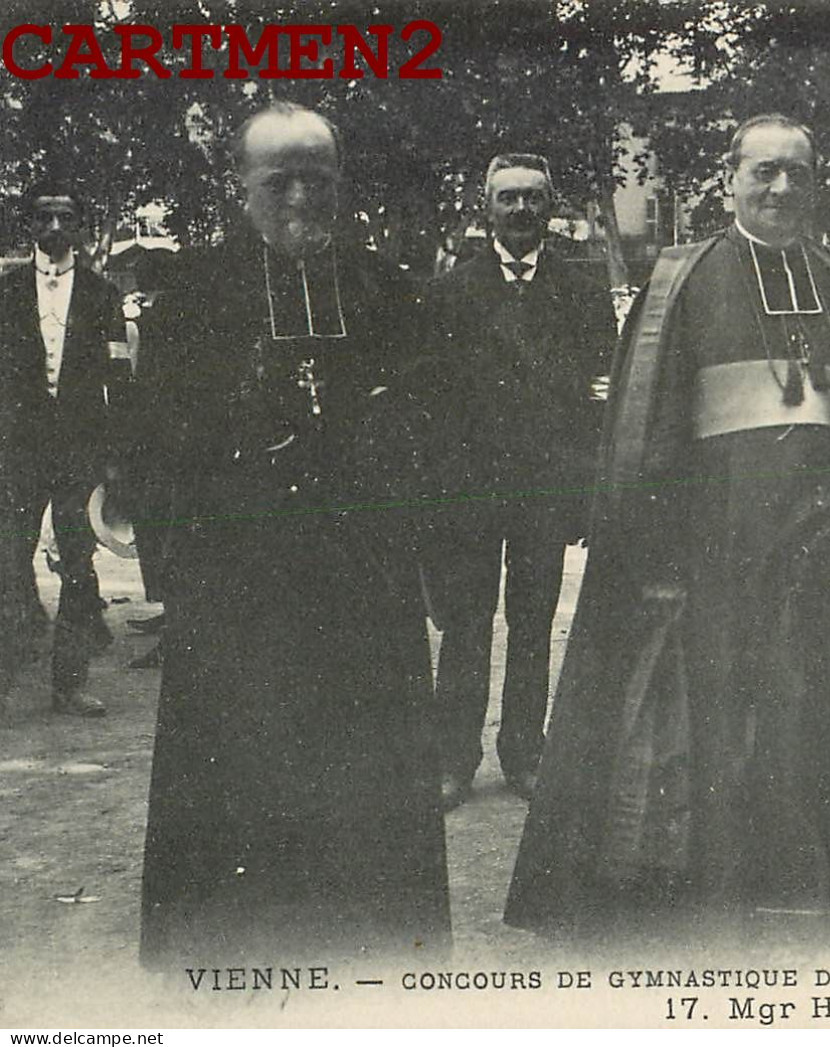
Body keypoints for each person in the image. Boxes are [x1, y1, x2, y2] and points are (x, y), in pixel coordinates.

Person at [505, 113, 830, 934]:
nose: (781, 188)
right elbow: (649, 427)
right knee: (728, 721)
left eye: (797, 172)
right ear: (728, 181)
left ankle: (825, 877)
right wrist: (656, 546)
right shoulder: (682, 282)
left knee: (821, 714)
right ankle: (726, 885)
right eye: (763, 172)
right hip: (716, 548)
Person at [138, 101, 450, 966]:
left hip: (362, 591)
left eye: (320, 176)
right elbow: (153, 451)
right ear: (240, 186)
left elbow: (435, 424)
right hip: (242, 595)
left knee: (366, 793)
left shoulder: (390, 290)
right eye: (280, 179)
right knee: (240, 794)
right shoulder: (189, 300)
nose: (302, 196)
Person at [421, 153, 615, 809]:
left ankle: (526, 756)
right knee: (467, 627)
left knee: (532, 624)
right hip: (470, 490)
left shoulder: (583, 288)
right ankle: (453, 762)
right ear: (487, 208)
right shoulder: (450, 290)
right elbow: (432, 404)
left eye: (533, 197)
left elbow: (600, 398)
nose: (521, 210)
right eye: (508, 198)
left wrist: (587, 490)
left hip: (544, 489)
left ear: (551, 205)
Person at [0, 182, 124, 716]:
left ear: (80, 227)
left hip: (80, 453)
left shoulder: (102, 294)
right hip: (18, 452)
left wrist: (119, 454)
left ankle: (69, 685)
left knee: (79, 565)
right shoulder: (5, 293)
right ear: (29, 225)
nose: (54, 228)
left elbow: (119, 377)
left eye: (65, 218)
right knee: (7, 564)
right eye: (44, 218)